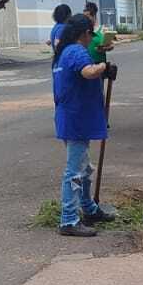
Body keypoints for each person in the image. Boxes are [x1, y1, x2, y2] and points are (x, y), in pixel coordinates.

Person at [52, 15, 118, 238]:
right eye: (91, 34)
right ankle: (69, 219)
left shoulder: (65, 52)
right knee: (75, 171)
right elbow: (88, 72)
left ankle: (89, 209)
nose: (92, 39)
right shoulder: (76, 51)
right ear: (85, 33)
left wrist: (101, 65)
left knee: (85, 168)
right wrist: (103, 67)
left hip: (71, 116)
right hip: (76, 118)